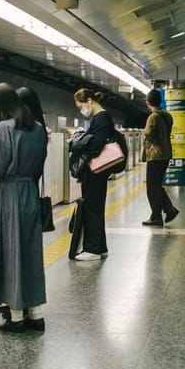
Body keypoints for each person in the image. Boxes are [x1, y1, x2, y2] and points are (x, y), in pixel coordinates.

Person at [0, 83, 48, 333]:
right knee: (29, 253)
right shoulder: (37, 128)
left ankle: (16, 318)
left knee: (8, 252)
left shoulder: (4, 128)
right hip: (29, 193)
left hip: (8, 195)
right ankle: (35, 315)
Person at [68, 88, 117, 260]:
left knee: (92, 208)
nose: (82, 110)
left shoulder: (101, 118)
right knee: (95, 207)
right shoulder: (101, 118)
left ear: (89, 101)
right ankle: (100, 247)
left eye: (81, 106)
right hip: (97, 171)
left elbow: (96, 144)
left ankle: (93, 249)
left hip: (96, 171)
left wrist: (79, 142)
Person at [142, 89, 179, 227]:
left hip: (155, 156)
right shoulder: (167, 115)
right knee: (156, 185)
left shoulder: (153, 117)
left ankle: (157, 216)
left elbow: (147, 133)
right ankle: (169, 210)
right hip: (166, 154)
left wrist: (155, 144)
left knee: (152, 187)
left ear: (148, 103)